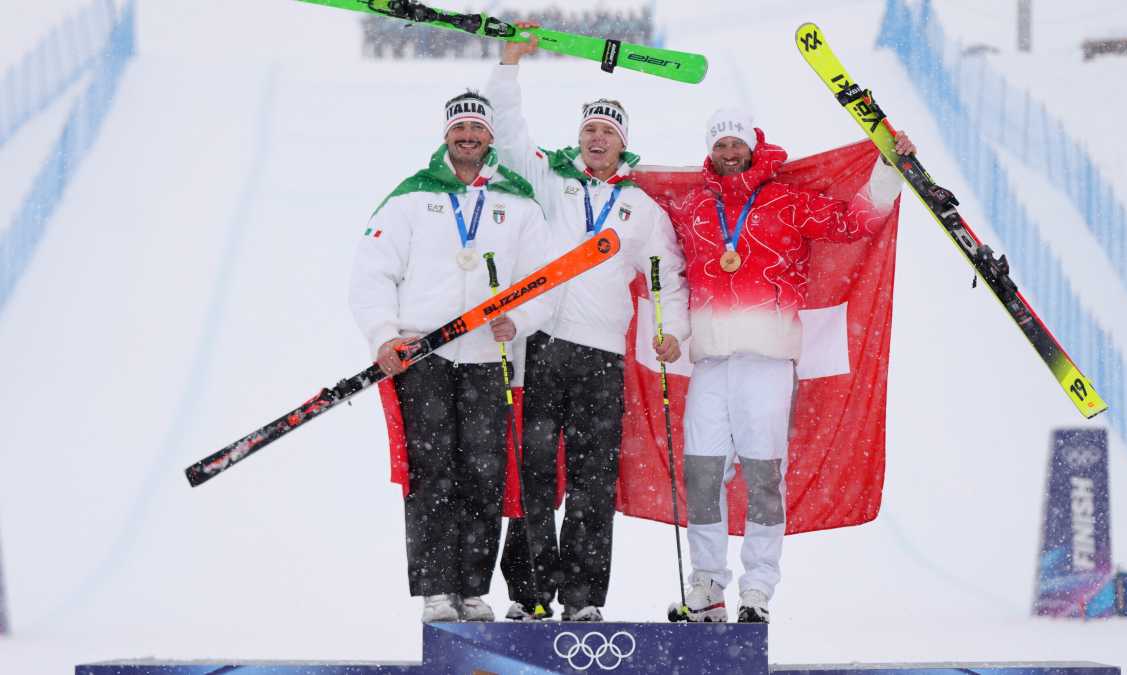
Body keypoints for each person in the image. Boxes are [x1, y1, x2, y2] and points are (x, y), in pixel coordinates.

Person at [670, 108, 915, 623]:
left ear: (753, 147)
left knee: (763, 477)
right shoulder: (693, 209)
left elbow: (853, 224)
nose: (729, 154)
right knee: (700, 475)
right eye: (720, 146)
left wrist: (890, 169)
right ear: (709, 154)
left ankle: (757, 587)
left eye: (736, 144)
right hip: (711, 363)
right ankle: (708, 584)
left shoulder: (784, 202)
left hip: (768, 362)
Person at [484, 25, 690, 622]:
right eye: (589, 131)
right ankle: (529, 596)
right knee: (534, 473)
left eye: (607, 133)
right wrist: (509, 65)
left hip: (602, 358)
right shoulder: (551, 180)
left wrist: (671, 328)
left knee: (593, 482)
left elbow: (668, 275)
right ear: (579, 139)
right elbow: (512, 134)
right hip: (544, 346)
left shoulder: (640, 208)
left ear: (622, 145)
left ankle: (581, 601)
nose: (596, 140)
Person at [349, 91, 553, 624]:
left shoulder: (519, 202)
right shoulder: (411, 198)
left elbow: (545, 281)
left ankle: (471, 588)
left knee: (484, 473)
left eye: (477, 129)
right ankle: (437, 590)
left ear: (490, 138)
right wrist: (382, 335)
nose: (468, 136)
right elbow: (372, 272)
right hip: (425, 356)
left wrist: (523, 321)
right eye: (459, 128)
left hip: (489, 355)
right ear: (446, 136)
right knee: (432, 472)